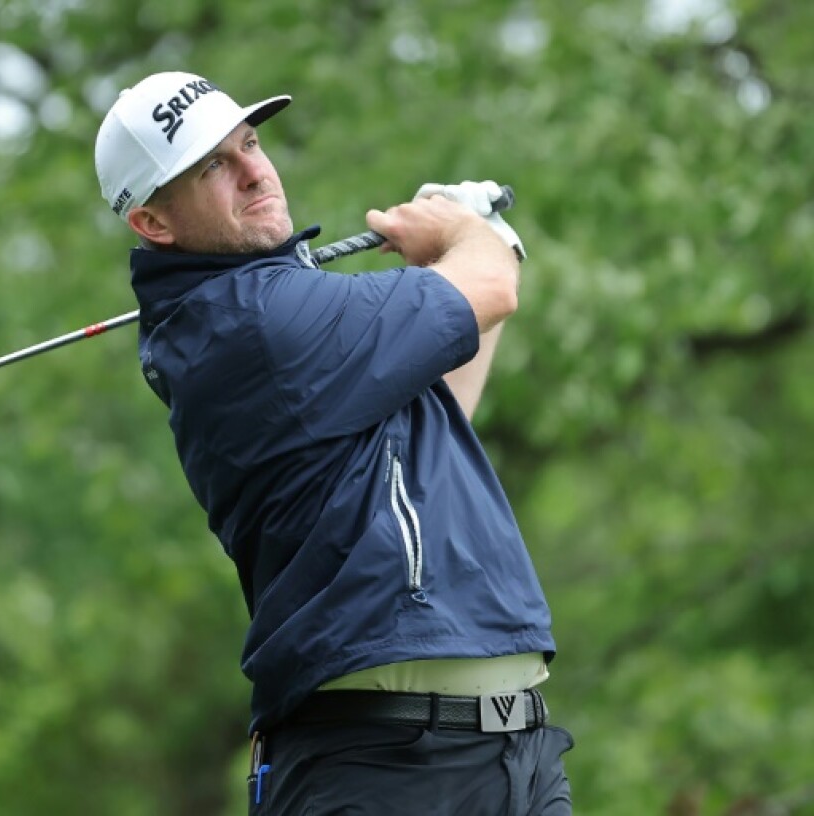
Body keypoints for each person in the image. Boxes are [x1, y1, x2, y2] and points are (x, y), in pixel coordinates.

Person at [94, 71, 574, 815]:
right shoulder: (257, 321)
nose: (256, 170)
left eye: (249, 144)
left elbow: (439, 413)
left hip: (510, 754)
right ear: (154, 223)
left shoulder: (272, 317)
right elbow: (490, 286)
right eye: (212, 166)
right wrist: (462, 232)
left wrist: (479, 244)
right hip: (382, 767)